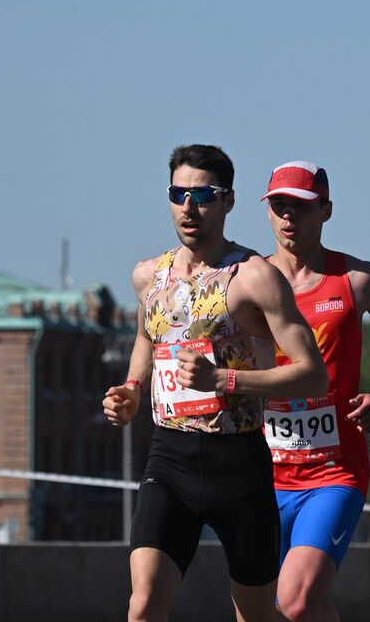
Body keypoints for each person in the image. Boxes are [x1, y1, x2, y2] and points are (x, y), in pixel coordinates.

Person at [102, 144, 328, 622]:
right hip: (169, 460)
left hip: (239, 464)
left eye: (203, 195)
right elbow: (148, 335)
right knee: (142, 605)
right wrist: (133, 390)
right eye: (178, 194)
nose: (189, 206)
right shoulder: (149, 276)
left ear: (228, 201)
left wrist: (222, 379)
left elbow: (312, 373)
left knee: (255, 616)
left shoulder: (255, 278)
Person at [261, 161, 370, 622]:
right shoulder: (248, 281)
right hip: (262, 474)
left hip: (333, 473)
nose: (289, 217)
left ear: (326, 211)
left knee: (294, 600)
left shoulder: (356, 279)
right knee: (275, 607)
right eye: (279, 206)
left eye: (302, 206)